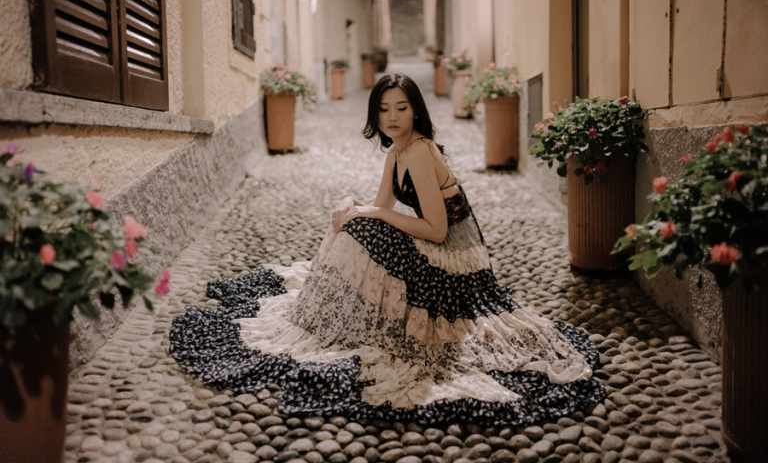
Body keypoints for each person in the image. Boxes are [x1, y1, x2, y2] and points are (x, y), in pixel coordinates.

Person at [170, 73, 605, 425]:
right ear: (374, 113)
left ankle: (343, 317)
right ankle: (336, 315)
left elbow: (436, 230)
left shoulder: (418, 151)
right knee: (355, 224)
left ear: (416, 111)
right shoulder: (397, 151)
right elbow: (382, 204)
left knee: (365, 229)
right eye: (383, 109)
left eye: (401, 108)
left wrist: (370, 215)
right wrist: (351, 204)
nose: (392, 117)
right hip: (436, 247)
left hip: (455, 265)